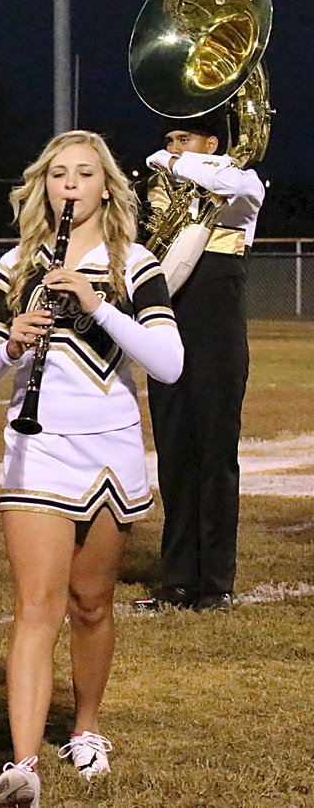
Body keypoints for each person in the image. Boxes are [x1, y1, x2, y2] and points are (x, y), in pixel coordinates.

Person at [0, 131, 183, 806]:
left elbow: (169, 364)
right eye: (59, 174)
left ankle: (85, 729)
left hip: (110, 449)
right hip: (40, 449)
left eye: (85, 174)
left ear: (106, 187)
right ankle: (22, 763)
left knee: (91, 605)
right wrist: (11, 344)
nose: (71, 185)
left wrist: (97, 304)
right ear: (44, 186)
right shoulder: (15, 264)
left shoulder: (137, 263)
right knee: (36, 607)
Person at [141, 112, 265, 612]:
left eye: (183, 137)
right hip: (166, 332)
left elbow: (227, 180)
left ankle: (215, 582)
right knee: (174, 457)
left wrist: (171, 161)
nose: (171, 146)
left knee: (215, 458)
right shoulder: (162, 191)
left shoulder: (241, 184)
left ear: (211, 143)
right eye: (168, 138)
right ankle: (175, 580)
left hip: (216, 338)